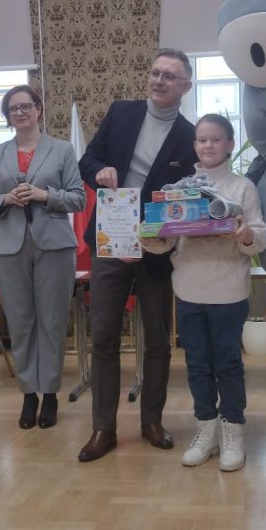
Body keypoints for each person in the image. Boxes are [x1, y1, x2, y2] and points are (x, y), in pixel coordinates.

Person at [77, 48, 196, 462]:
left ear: (185, 86)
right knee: (104, 335)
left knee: (159, 339)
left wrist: (152, 238)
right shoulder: (121, 113)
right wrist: (99, 172)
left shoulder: (189, 135)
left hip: (156, 247)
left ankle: (152, 421)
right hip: (109, 240)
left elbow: (187, 198)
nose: (158, 80)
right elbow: (87, 160)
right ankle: (103, 429)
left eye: (169, 76)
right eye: (155, 72)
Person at [141, 114, 266, 471]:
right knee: (196, 364)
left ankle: (233, 431)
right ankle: (206, 430)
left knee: (228, 364)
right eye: (201, 140)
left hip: (228, 290)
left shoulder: (243, 188)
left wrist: (243, 234)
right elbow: (166, 241)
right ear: (194, 145)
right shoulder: (179, 188)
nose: (208, 145)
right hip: (188, 288)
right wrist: (149, 235)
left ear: (230, 144)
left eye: (215, 139)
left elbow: (258, 236)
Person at [0, 85, 86, 430]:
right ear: (7, 117)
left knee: (52, 321)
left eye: (26, 106)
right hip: (9, 248)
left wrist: (44, 194)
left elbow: (78, 199)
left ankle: (50, 393)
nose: (20, 113)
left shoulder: (63, 149)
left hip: (54, 246)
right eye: (13, 109)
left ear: (39, 109)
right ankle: (29, 394)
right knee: (21, 322)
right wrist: (6, 199)